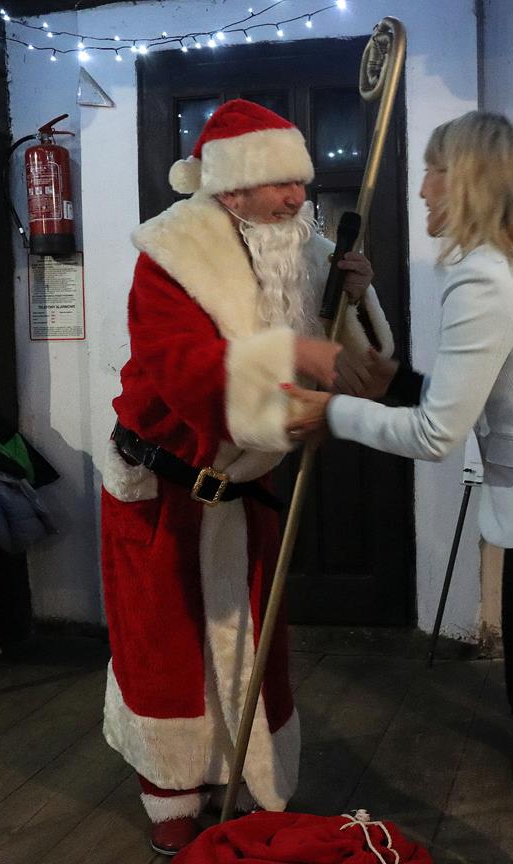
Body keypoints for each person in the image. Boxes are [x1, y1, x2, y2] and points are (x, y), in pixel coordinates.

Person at [286, 111, 513, 864]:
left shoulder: (484, 277)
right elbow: (481, 398)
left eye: (434, 171)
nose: (421, 189)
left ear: (467, 179)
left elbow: (436, 434)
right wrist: (388, 368)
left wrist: (330, 414)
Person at [98, 99, 393, 857]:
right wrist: (292, 357)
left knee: (248, 642)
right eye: (281, 183)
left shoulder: (305, 248)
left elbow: (363, 366)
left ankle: (242, 778)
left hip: (243, 486)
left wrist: (355, 298)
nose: (298, 198)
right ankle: (172, 791)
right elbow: (181, 368)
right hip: (162, 489)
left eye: (301, 182)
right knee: (166, 649)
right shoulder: (171, 254)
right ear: (233, 188)